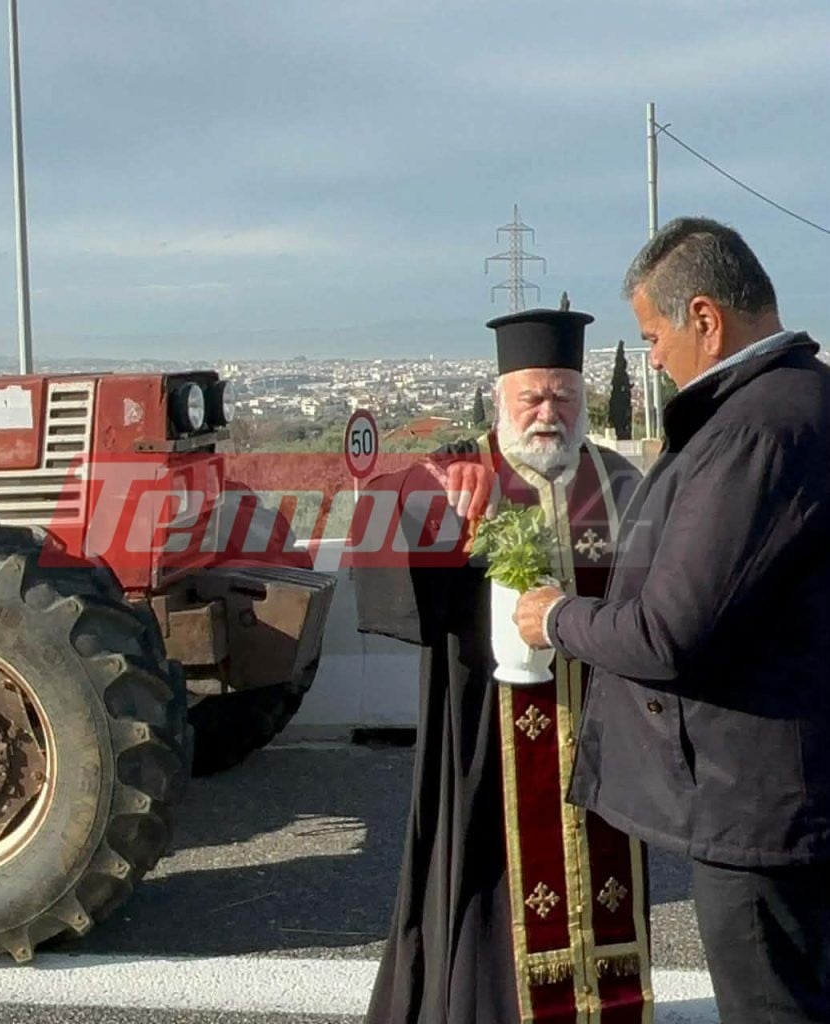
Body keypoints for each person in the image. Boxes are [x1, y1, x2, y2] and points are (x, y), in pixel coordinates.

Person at [518, 217, 830, 1023]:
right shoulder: (807, 402)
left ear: (705, 318)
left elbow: (666, 634)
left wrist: (556, 617)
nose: (651, 358)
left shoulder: (756, 429)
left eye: (653, 334)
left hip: (764, 808)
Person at [354, 307, 652, 1024]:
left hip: (602, 734)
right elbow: (381, 519)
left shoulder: (617, 483)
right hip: (491, 735)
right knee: (493, 890)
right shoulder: (464, 471)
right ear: (502, 401)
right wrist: (434, 491)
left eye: (564, 396)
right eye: (533, 397)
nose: (549, 412)